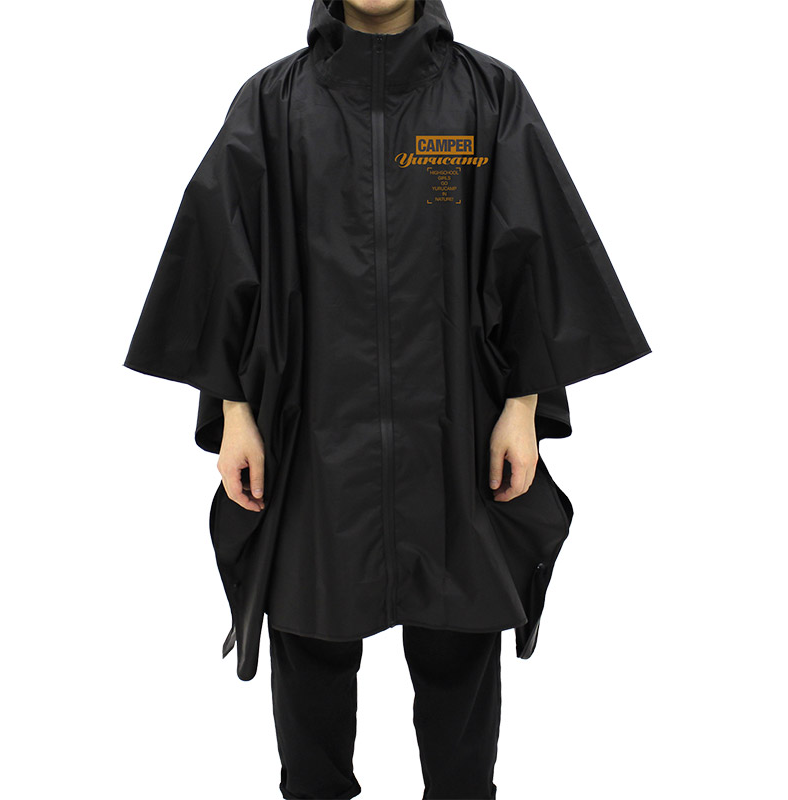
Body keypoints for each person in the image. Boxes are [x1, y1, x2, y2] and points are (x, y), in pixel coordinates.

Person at [123, 1, 652, 797]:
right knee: (308, 641)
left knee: (460, 646)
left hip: (455, 431)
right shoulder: (272, 103)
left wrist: (522, 407)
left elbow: (533, 249)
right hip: (312, 433)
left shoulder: (487, 96)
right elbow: (223, 253)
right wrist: (233, 413)